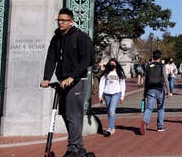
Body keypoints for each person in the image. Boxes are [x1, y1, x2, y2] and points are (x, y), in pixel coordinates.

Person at [40, 8, 94, 157]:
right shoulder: (56, 38)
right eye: (58, 20)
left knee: (73, 115)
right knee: (65, 113)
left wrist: (73, 77)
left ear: (71, 21)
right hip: (62, 81)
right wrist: (46, 78)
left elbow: (87, 60)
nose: (60, 23)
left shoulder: (80, 37)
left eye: (63, 20)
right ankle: (80, 148)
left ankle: (73, 148)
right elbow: (51, 58)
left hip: (77, 81)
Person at [140, 50, 171, 134]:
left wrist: (145, 92)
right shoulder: (162, 66)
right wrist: (169, 91)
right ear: (160, 57)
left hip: (150, 89)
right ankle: (160, 126)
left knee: (149, 108)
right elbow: (165, 79)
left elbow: (146, 80)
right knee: (161, 108)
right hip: (160, 89)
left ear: (153, 57)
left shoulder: (148, 66)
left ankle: (145, 121)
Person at [98, 58, 126, 137]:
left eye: (113, 64)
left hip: (116, 94)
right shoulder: (105, 73)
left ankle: (110, 128)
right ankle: (112, 127)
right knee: (109, 112)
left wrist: (122, 96)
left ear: (116, 65)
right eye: (110, 64)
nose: (112, 65)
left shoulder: (119, 73)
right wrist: (100, 96)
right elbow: (101, 84)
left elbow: (122, 85)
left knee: (111, 110)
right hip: (107, 94)